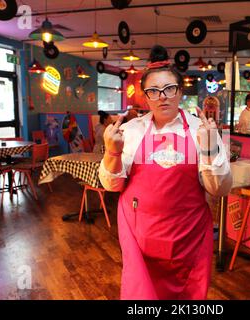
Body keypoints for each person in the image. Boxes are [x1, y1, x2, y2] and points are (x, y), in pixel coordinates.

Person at [99, 45, 232, 300]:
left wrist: (210, 147)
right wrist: (111, 151)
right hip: (140, 238)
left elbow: (220, 189)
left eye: (169, 89)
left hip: (188, 236)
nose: (162, 97)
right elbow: (112, 187)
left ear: (180, 92)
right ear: (145, 97)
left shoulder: (201, 129)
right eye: (153, 91)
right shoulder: (131, 131)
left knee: (188, 295)